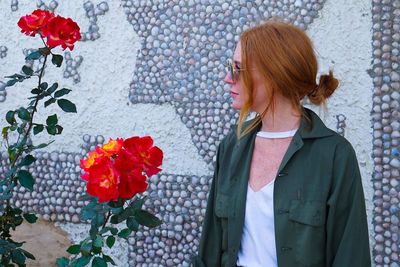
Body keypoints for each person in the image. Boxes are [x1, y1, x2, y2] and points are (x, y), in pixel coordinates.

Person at [191, 20, 371, 267]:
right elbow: (210, 249)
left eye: (237, 69)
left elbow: (351, 256)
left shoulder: (334, 156)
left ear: (274, 74)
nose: (227, 78)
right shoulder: (232, 146)